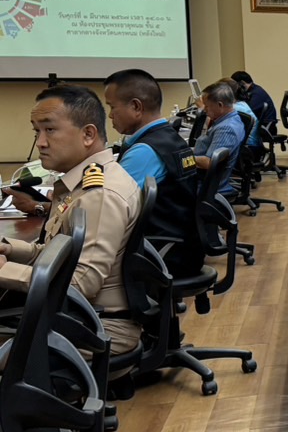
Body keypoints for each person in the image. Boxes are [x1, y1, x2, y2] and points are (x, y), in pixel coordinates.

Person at [0, 85, 143, 351]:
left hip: (93, 329)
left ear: (88, 134)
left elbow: (81, 283)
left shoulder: (99, 194)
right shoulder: (83, 183)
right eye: (37, 131)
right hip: (73, 317)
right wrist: (10, 249)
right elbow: (57, 257)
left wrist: (5, 271)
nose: (40, 142)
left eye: (50, 130)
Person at [104, 69, 203, 269]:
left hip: (161, 256)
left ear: (135, 106)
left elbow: (107, 210)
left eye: (112, 107)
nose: (109, 115)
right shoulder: (170, 138)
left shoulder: (144, 152)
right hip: (183, 247)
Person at [193, 80, 246, 180]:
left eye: (207, 106)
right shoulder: (230, 119)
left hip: (203, 182)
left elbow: (209, 162)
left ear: (220, 105)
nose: (204, 109)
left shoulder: (226, 129)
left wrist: (184, 159)